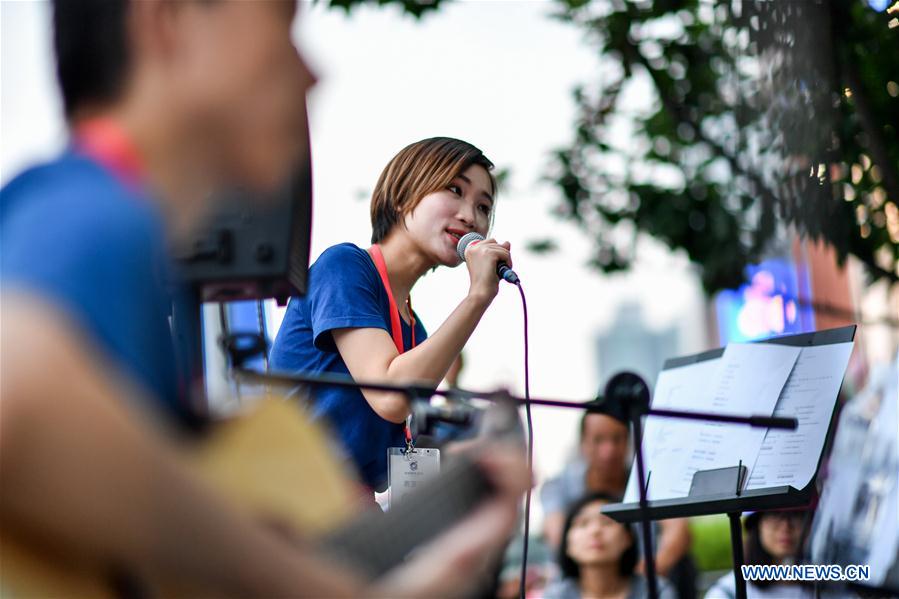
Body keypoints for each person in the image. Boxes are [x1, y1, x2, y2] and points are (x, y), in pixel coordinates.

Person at [0, 1, 527, 596]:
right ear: (164, 22)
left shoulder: (117, 235)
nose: (310, 74)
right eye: (281, 30)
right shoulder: (86, 209)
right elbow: (16, 397)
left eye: (484, 203)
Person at [270, 136, 513, 491]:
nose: (469, 216)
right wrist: (477, 296)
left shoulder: (417, 333)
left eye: (483, 207)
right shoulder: (344, 266)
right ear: (401, 196)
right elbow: (390, 397)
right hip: (294, 501)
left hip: (353, 508)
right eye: (454, 190)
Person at [541, 401, 696, 598]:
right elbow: (557, 533)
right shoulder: (558, 486)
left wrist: (642, 578)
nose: (609, 451)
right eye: (598, 440)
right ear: (583, 444)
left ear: (629, 440)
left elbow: (678, 529)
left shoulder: (648, 479)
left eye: (617, 439)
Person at [543, 492, 677, 599]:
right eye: (583, 523)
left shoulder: (655, 591)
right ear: (567, 544)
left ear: (628, 538)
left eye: (606, 522)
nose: (595, 530)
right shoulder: (556, 595)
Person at [705, 509, 815, 599]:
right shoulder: (728, 592)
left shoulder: (824, 587)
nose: (785, 526)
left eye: (796, 514)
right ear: (757, 524)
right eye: (774, 513)